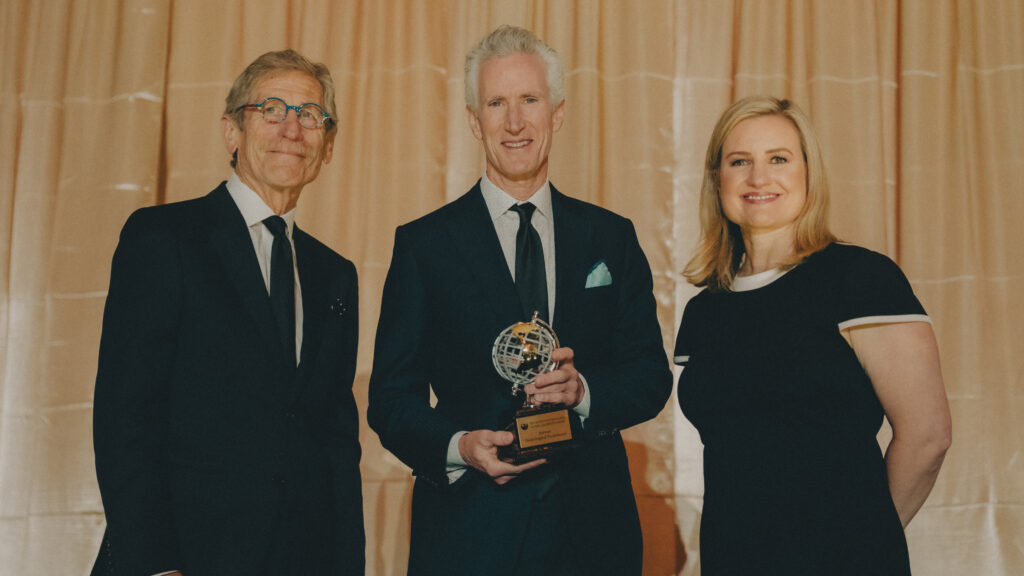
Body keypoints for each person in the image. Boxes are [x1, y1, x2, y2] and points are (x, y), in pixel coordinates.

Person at [367, 25, 672, 576]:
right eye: (496, 103)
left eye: (529, 100)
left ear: (556, 113)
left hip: (594, 533)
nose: (514, 122)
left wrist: (584, 392)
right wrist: (460, 446)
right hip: (468, 535)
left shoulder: (610, 238)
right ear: (473, 119)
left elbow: (650, 374)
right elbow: (390, 399)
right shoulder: (423, 245)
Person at [91, 50, 364, 576]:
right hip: (184, 559)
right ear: (231, 131)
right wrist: (155, 563)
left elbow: (335, 444)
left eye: (310, 115)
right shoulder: (164, 239)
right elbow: (126, 416)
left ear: (327, 147)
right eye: (272, 109)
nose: (292, 128)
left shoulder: (336, 274)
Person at [674, 96, 952, 575]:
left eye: (778, 159)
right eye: (739, 161)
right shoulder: (706, 309)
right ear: (717, 179)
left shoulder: (860, 279)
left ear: (809, 172)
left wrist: (860, 543)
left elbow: (928, 437)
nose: (758, 178)